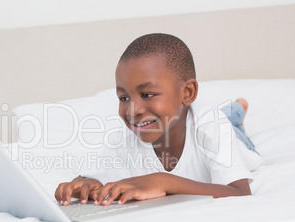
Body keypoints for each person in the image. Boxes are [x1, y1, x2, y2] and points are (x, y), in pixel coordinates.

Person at [55, 33, 262, 206]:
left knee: (230, 122)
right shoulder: (127, 138)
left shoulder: (211, 127)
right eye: (124, 98)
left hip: (230, 135)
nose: (133, 111)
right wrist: (82, 185)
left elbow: (240, 192)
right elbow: (94, 176)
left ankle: (237, 111)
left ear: (187, 93)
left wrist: (164, 181)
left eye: (147, 95)